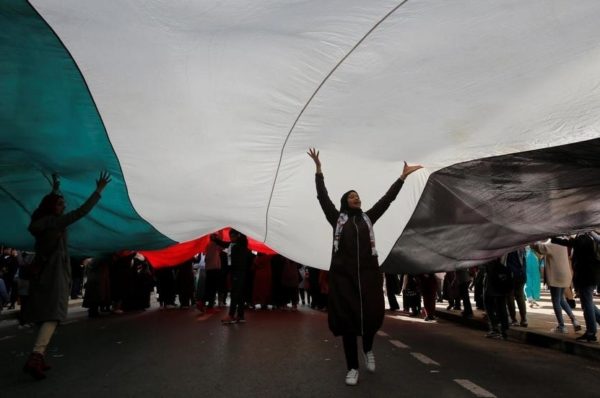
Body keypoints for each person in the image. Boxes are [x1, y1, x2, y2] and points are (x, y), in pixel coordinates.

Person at [308, 147, 421, 386]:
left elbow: (387, 200)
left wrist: (402, 178)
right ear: (345, 202)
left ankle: (367, 349)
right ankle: (352, 368)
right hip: (344, 279)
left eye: (358, 196)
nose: (357, 198)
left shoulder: (368, 218)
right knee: (349, 325)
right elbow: (322, 198)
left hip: (368, 278)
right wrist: (319, 171)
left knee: (370, 318)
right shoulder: (336, 219)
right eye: (352, 196)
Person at [23, 171, 110, 380]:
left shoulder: (41, 221)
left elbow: (46, 205)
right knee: (52, 315)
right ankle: (36, 355)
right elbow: (81, 212)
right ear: (53, 208)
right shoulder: (56, 223)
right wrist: (98, 191)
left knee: (43, 314)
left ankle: (39, 355)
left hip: (42, 274)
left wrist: (55, 188)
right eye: (61, 205)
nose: (64, 208)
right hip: (54, 275)